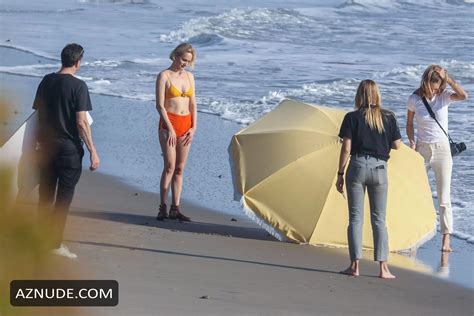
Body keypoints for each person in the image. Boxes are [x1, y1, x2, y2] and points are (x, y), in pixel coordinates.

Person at [33, 43, 100, 259]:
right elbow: (81, 122)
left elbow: (37, 114)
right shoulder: (78, 86)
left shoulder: (46, 81)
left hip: (46, 147)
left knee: (45, 196)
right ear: (78, 62)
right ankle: (54, 245)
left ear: (62, 59)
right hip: (68, 150)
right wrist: (92, 150)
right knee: (63, 199)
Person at [336, 80, 401, 279]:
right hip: (380, 169)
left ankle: (355, 266)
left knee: (355, 218)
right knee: (379, 219)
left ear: (359, 95)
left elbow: (346, 148)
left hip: (357, 167)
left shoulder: (352, 117)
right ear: (377, 95)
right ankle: (383, 269)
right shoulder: (388, 117)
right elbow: (397, 145)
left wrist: (339, 173)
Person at [406, 65, 468, 252]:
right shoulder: (414, 99)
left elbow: (464, 96)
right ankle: (414, 233)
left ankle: (446, 240)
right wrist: (411, 140)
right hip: (422, 150)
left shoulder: (444, 96)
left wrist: (448, 79)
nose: (435, 89)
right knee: (416, 193)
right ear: (425, 82)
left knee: (443, 198)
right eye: (432, 86)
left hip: (442, 151)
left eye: (438, 85)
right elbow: (409, 124)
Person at [155, 43, 197, 222]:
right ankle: (162, 207)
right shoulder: (164, 75)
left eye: (188, 61)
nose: (185, 64)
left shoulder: (189, 77)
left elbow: (193, 103)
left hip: (186, 123)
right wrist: (171, 128)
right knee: (170, 166)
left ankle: (175, 208)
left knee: (180, 169)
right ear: (175, 56)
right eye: (183, 59)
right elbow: (160, 105)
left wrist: (194, 127)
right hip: (168, 124)